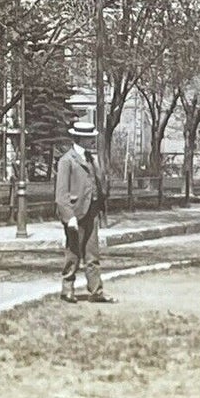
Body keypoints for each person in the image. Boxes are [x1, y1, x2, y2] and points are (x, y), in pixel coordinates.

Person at [55, 124, 110, 303]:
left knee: (92, 254)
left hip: (91, 212)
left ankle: (96, 291)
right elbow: (61, 194)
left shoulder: (91, 159)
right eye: (89, 138)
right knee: (73, 254)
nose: (92, 141)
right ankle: (67, 290)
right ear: (79, 138)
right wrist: (69, 216)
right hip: (76, 213)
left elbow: (97, 184)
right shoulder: (67, 160)